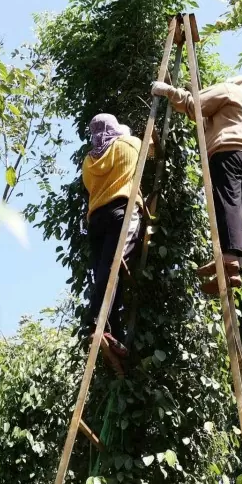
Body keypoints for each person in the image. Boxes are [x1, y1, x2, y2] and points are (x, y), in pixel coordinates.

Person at [151, 75, 242, 295]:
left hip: (227, 153)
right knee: (235, 209)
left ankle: (229, 259)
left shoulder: (231, 90)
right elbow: (206, 118)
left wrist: (168, 91)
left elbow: (195, 105)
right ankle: (232, 266)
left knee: (225, 204)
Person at [81, 112, 142, 370]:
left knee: (104, 274)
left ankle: (110, 331)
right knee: (112, 268)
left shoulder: (88, 162)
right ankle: (97, 322)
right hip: (122, 212)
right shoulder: (129, 145)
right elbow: (146, 149)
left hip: (96, 220)